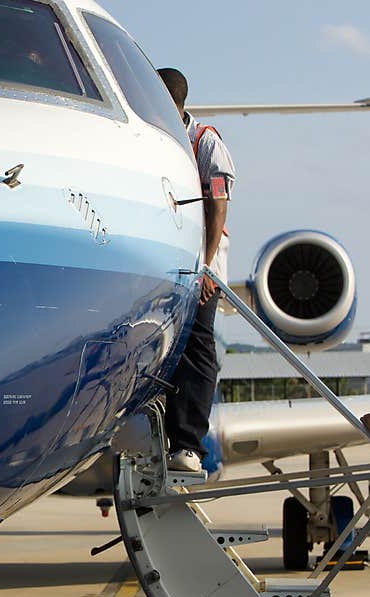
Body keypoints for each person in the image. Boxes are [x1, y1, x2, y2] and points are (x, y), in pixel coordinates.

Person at [158, 67, 237, 472]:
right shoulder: (155, 139)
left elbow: (218, 207)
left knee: (197, 347)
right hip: (168, 267)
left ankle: (188, 443)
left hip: (202, 267)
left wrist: (206, 269)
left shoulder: (205, 142)